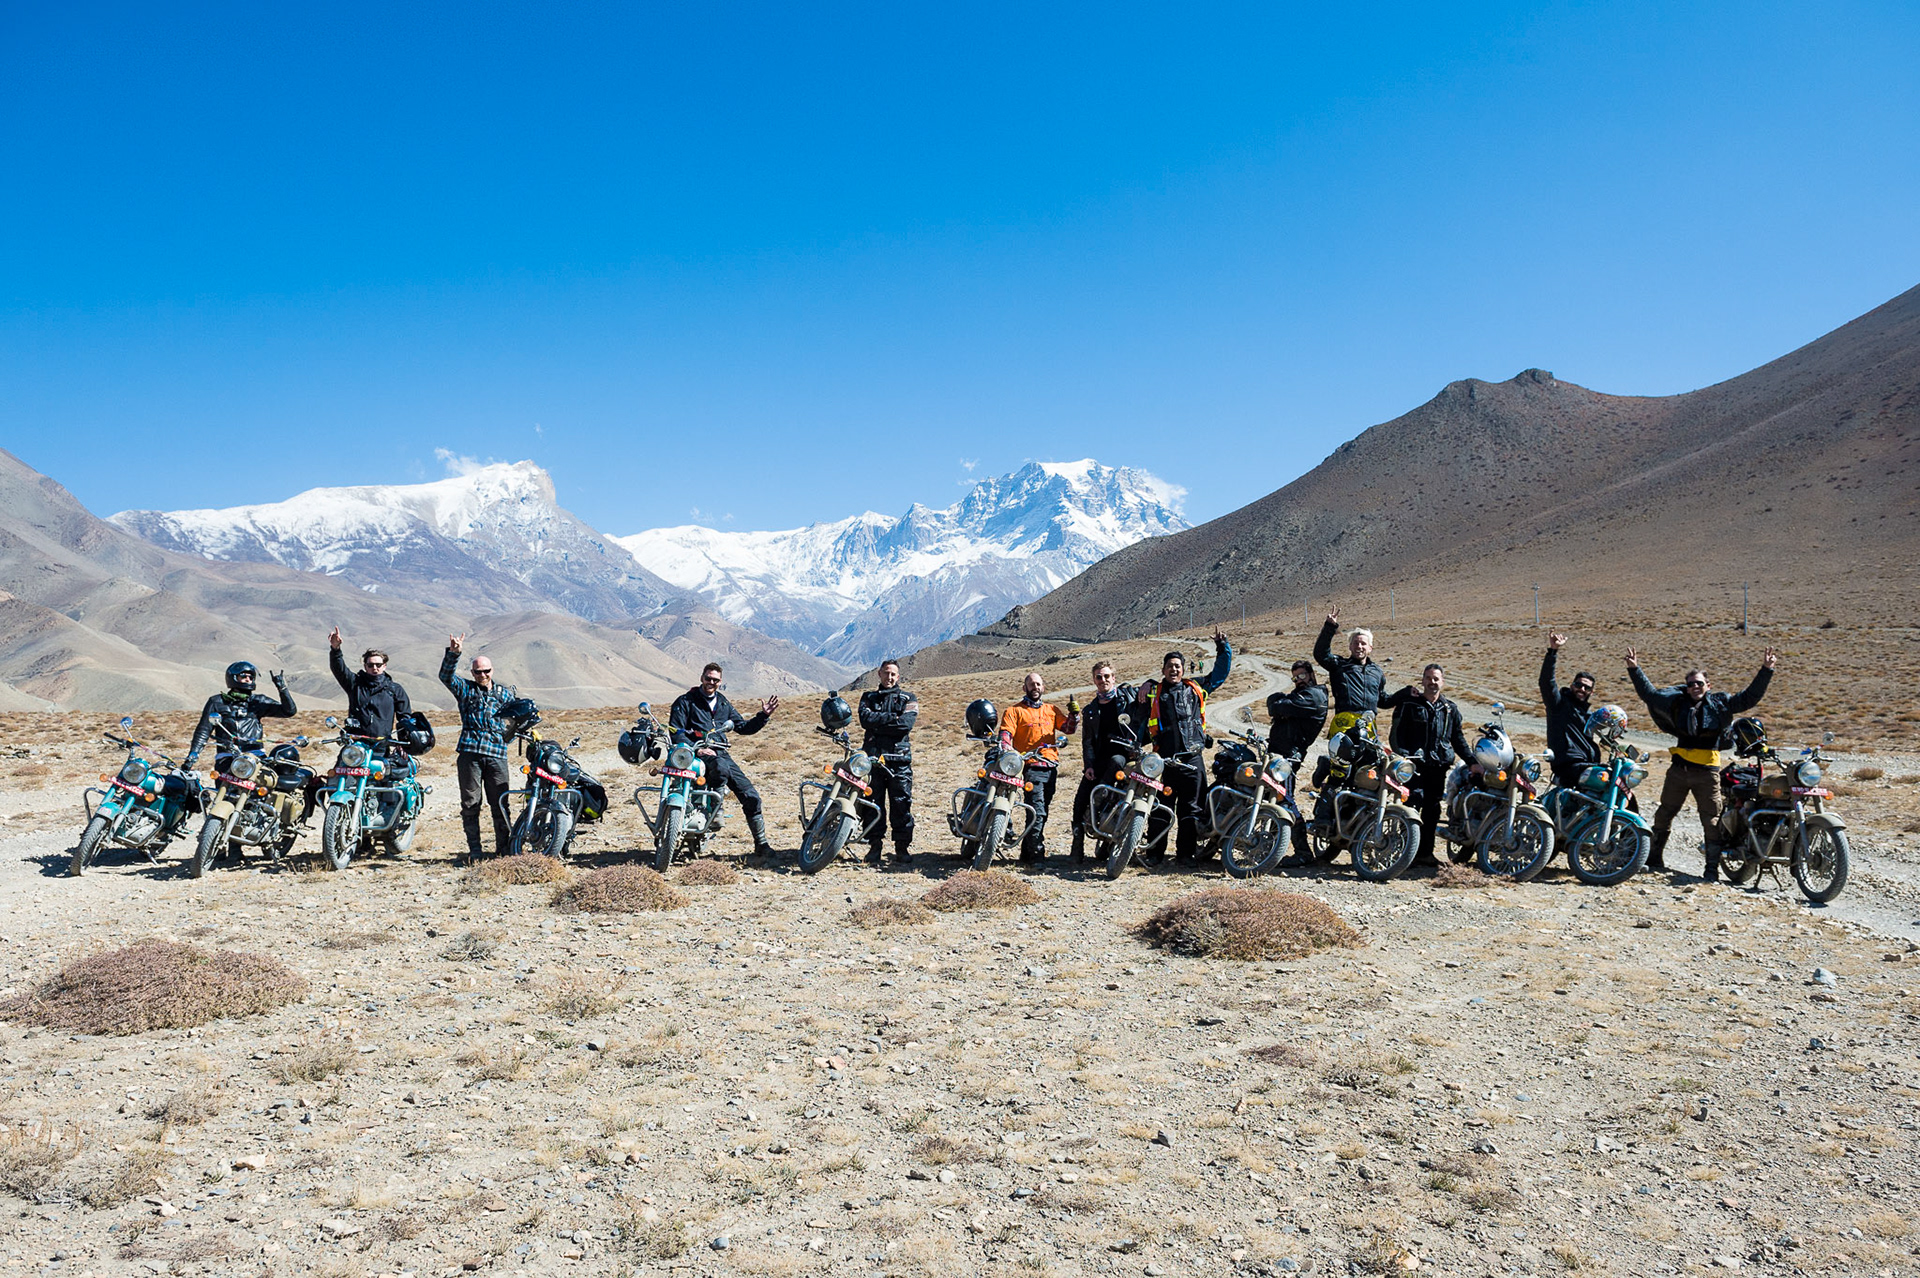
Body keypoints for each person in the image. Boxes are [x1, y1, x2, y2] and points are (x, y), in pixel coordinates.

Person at [1626, 645, 1777, 880]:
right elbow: (1650, 695)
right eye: (1691, 684)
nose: (1695, 687)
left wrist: (1766, 670)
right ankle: (1654, 859)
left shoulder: (1721, 703)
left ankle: (1711, 869)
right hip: (1678, 770)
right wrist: (1635, 669)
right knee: (1664, 813)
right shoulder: (1678, 702)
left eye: (1699, 683)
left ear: (1709, 685)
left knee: (1711, 819)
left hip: (1707, 772)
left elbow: (1750, 697)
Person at [1135, 629, 1233, 865]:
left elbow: (1220, 674)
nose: (1174, 669)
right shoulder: (1154, 692)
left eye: (1178, 666)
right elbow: (1128, 697)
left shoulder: (1195, 688)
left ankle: (1185, 855)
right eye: (1170, 666)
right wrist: (1145, 684)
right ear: (1163, 670)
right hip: (1164, 761)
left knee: (1192, 810)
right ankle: (1155, 854)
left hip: (1192, 759)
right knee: (1160, 808)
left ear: (1183, 669)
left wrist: (1223, 646)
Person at [669, 662, 780, 858]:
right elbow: (675, 730)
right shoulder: (685, 701)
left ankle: (761, 844)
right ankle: (716, 812)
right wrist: (698, 747)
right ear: (701, 678)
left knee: (751, 796)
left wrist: (763, 716)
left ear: (720, 682)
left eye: (715, 680)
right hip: (695, 753)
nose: (711, 682)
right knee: (720, 768)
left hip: (720, 752)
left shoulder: (722, 703)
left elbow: (743, 727)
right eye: (708, 678)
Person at [1379, 663, 1472, 865]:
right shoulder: (1409, 705)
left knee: (1432, 810)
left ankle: (1425, 854)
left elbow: (1458, 739)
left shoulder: (1450, 709)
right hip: (1413, 766)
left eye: (1436, 679)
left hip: (1438, 767)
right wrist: (1403, 756)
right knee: (1411, 805)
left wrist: (1473, 762)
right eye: (1428, 678)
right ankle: (1403, 852)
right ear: (1422, 681)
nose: (1432, 682)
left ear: (1442, 682)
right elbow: (1396, 735)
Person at [441, 634, 515, 861]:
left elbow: (515, 721)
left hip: (496, 755)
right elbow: (445, 676)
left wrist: (506, 739)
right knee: (471, 804)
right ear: (472, 673)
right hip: (470, 754)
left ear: (492, 671)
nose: (482, 675)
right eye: (477, 672)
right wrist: (454, 654)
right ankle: (475, 850)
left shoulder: (505, 694)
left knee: (500, 803)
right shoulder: (465, 690)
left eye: (486, 671)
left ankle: (504, 849)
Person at [998, 672, 1079, 863]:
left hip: (1050, 766)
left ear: (1043, 688)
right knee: (1038, 810)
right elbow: (1006, 734)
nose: (1035, 687)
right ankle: (1036, 855)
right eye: (1031, 684)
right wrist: (1007, 748)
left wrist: (1074, 716)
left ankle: (1027, 853)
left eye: (1038, 684)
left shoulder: (1051, 709)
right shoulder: (1014, 711)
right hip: (1029, 766)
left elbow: (1067, 729)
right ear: (1024, 688)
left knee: (1041, 810)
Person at [1070, 660, 1142, 866]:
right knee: (1081, 798)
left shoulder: (1128, 698)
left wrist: (1148, 685)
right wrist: (1089, 765)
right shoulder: (1091, 709)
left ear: (1114, 678)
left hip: (1126, 760)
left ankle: (1130, 843)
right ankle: (1078, 842)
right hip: (1100, 761)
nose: (1103, 680)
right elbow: (1087, 742)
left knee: (1135, 788)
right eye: (1099, 677)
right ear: (1094, 680)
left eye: (1107, 676)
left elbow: (1152, 691)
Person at [184, 661, 298, 773]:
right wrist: (193, 754)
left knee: (263, 786)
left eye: (251, 677)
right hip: (227, 756)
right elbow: (204, 730)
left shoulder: (258, 701)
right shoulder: (216, 702)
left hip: (255, 755)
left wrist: (282, 689)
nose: (248, 679)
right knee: (224, 787)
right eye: (243, 676)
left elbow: (288, 711)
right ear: (233, 678)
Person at [1265, 660, 1328, 858]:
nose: (1298, 680)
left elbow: (1279, 706)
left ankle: (1303, 852)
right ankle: (1270, 847)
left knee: (1286, 800)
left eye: (1301, 676)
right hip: (1279, 754)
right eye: (1295, 678)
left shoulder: (1314, 696)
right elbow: (1275, 703)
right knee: (1273, 799)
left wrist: (1280, 705)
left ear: (1311, 674)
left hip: (1289, 757)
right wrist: (1279, 704)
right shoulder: (1301, 695)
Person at [858, 660, 917, 866]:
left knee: (901, 803)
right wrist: (892, 717)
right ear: (879, 674)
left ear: (898, 676)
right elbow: (865, 720)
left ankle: (902, 848)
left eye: (893, 674)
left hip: (899, 761)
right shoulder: (868, 697)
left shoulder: (908, 698)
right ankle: (875, 846)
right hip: (873, 761)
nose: (889, 677)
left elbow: (905, 725)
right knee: (873, 804)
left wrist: (879, 721)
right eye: (886, 673)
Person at [328, 628, 412, 741]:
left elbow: (405, 719)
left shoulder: (394, 689)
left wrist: (404, 742)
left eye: (378, 664)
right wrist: (335, 649)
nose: (375, 668)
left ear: (384, 666)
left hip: (382, 743)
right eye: (371, 665)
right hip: (356, 742)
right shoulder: (355, 684)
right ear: (365, 666)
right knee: (343, 759)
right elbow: (339, 670)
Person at [1539, 633, 1600, 787]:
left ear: (1591, 692)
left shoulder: (1590, 717)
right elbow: (1546, 682)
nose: (1582, 689)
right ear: (1572, 685)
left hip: (1587, 766)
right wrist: (1553, 651)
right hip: (1568, 767)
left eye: (1587, 687)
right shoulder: (1558, 705)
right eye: (1579, 685)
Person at [1313, 610, 1385, 736]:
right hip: (1344, 723)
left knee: (1371, 755)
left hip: (1368, 725)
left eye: (1363, 643)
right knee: (1343, 754)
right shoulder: (1339, 665)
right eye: (1356, 643)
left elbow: (1382, 699)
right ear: (1350, 646)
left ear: (1370, 648)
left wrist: (1406, 694)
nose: (1359, 646)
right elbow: (1320, 653)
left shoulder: (1377, 672)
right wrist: (1329, 627)